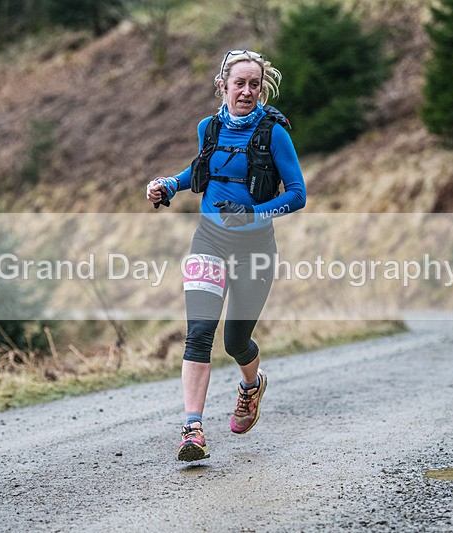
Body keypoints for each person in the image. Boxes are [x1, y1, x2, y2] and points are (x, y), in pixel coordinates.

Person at [146, 49, 306, 462]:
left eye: (255, 84)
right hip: (209, 241)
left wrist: (252, 213)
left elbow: (297, 195)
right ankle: (192, 428)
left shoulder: (275, 133)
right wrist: (169, 183)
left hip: (255, 248)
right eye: (240, 83)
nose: (248, 91)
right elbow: (199, 170)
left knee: (235, 340)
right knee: (199, 332)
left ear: (262, 88)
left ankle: (251, 387)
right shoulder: (208, 127)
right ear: (223, 86)